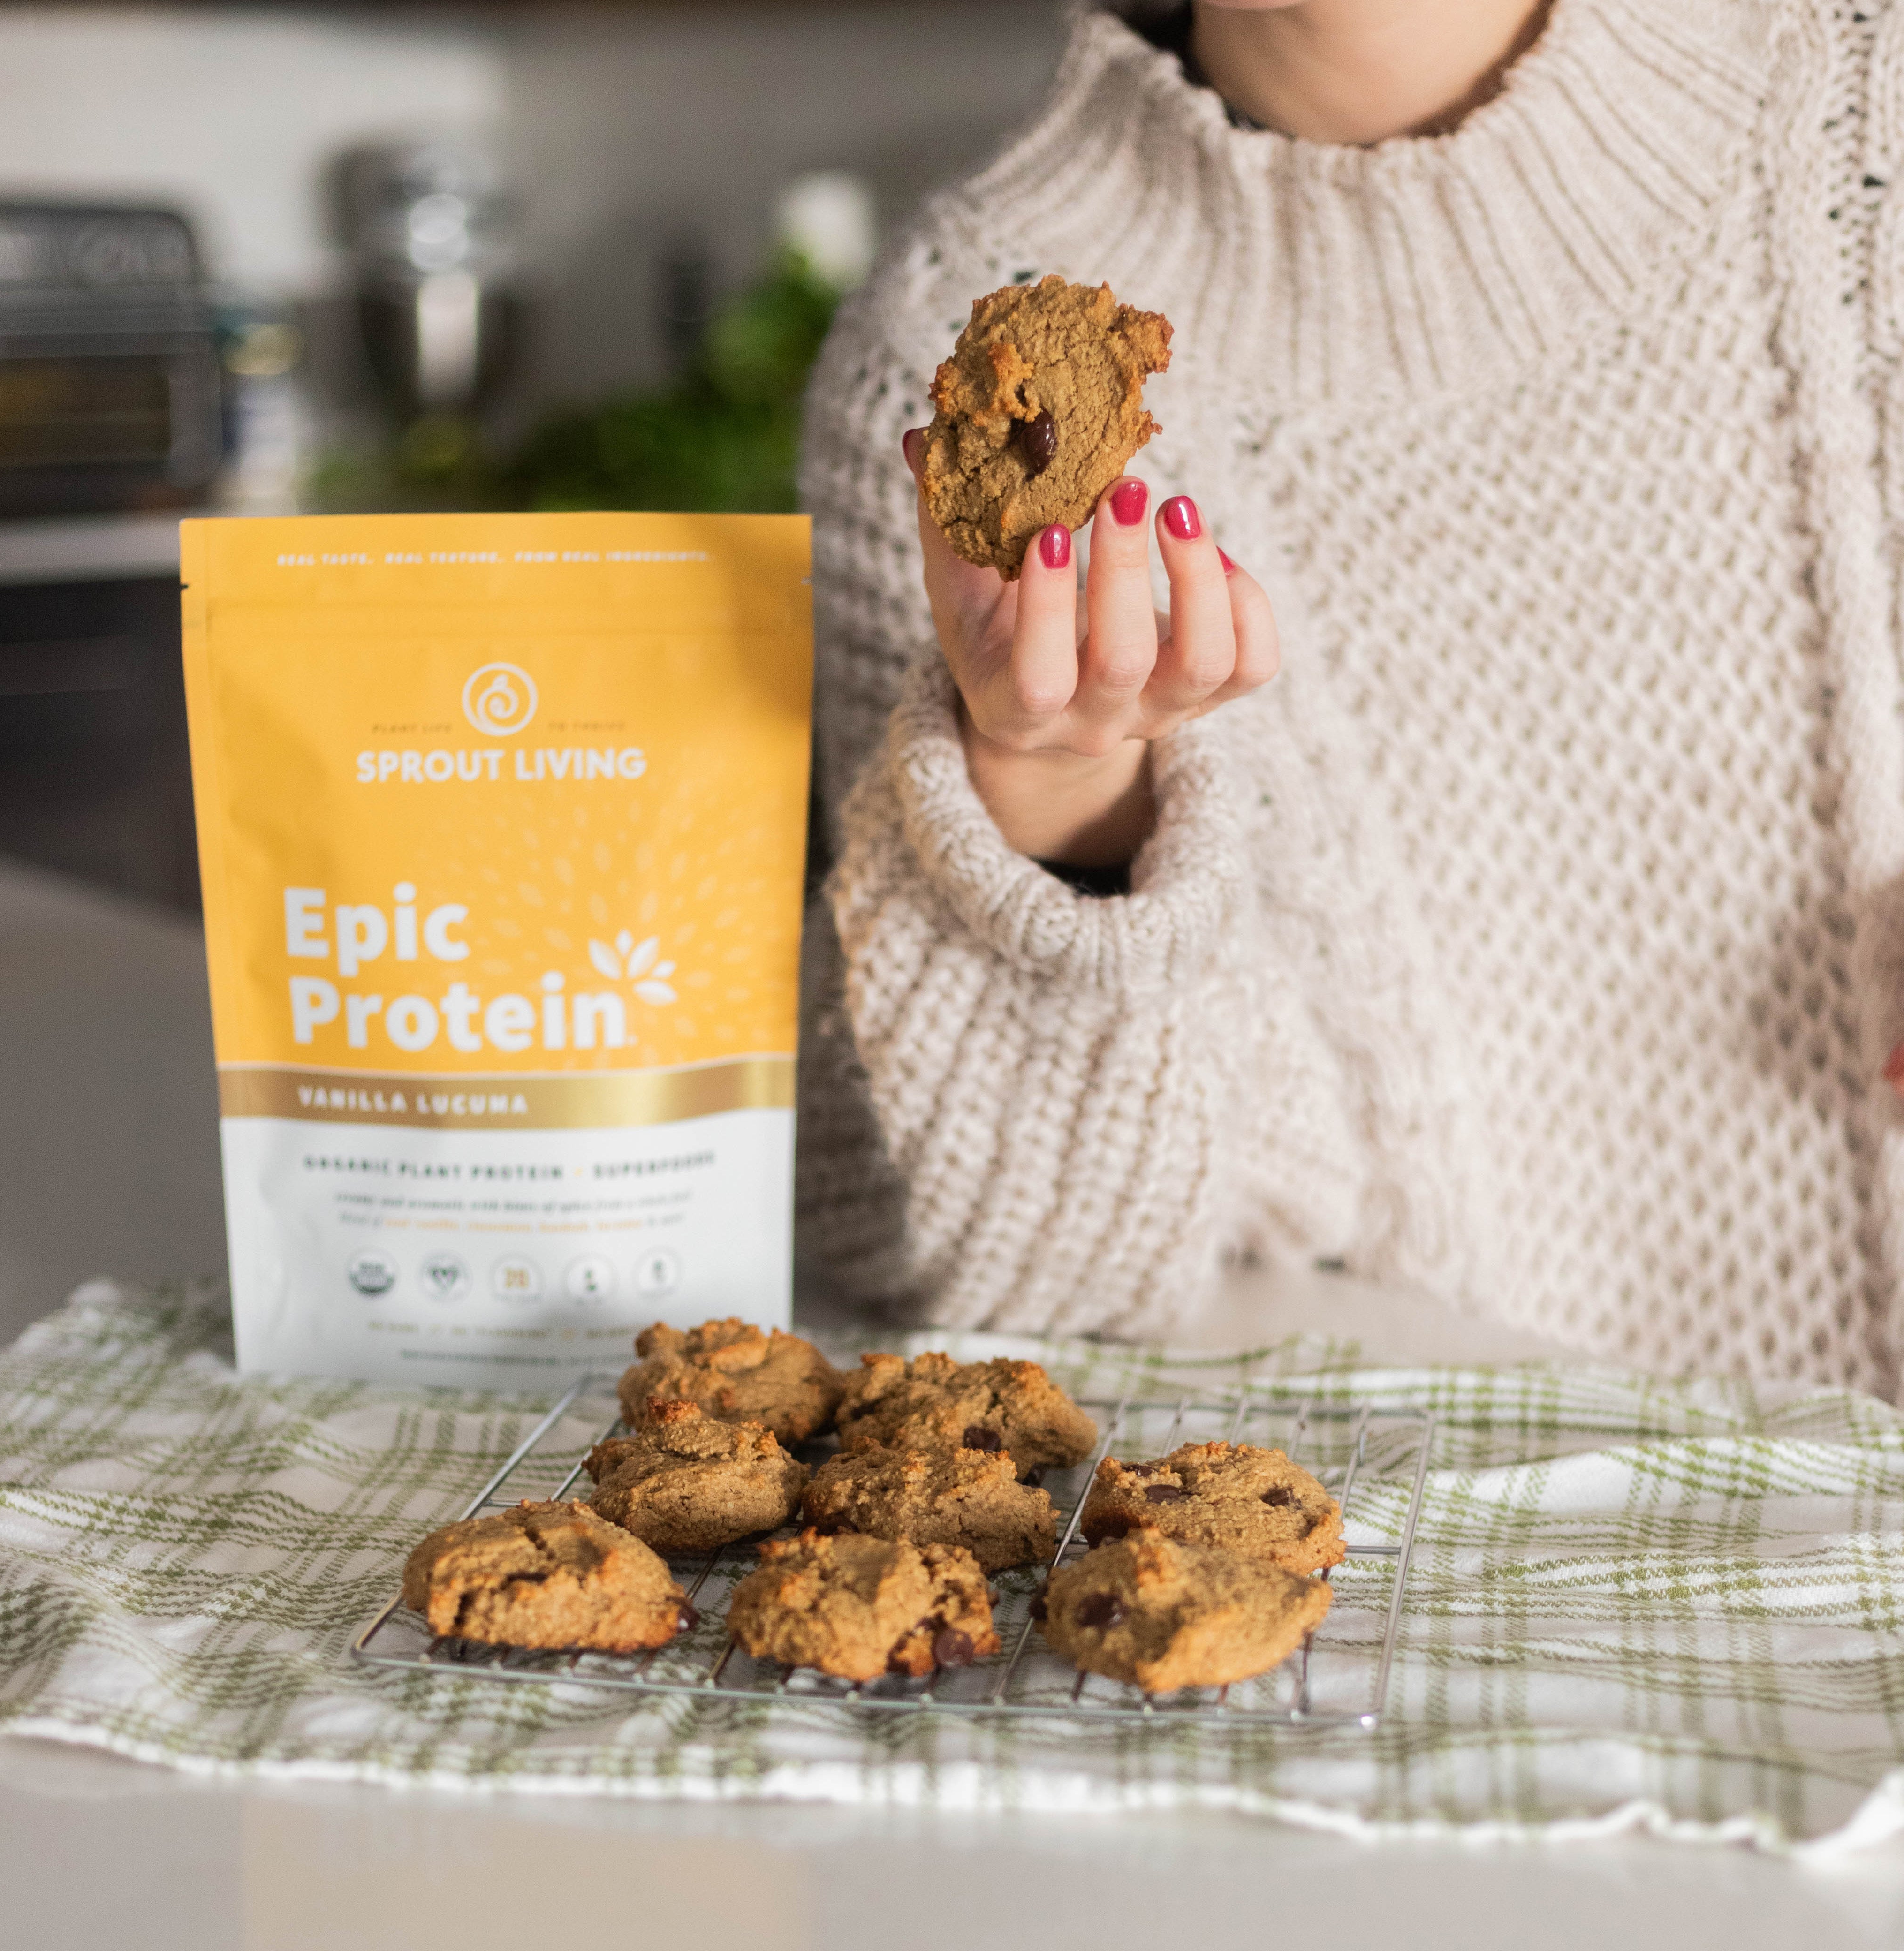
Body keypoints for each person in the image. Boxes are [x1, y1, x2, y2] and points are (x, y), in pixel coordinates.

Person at [795, 0, 1904, 1397]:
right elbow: (1030, 1278)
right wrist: (1056, 799)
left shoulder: (1870, 128)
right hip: (1431, 1575)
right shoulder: (952, 355)